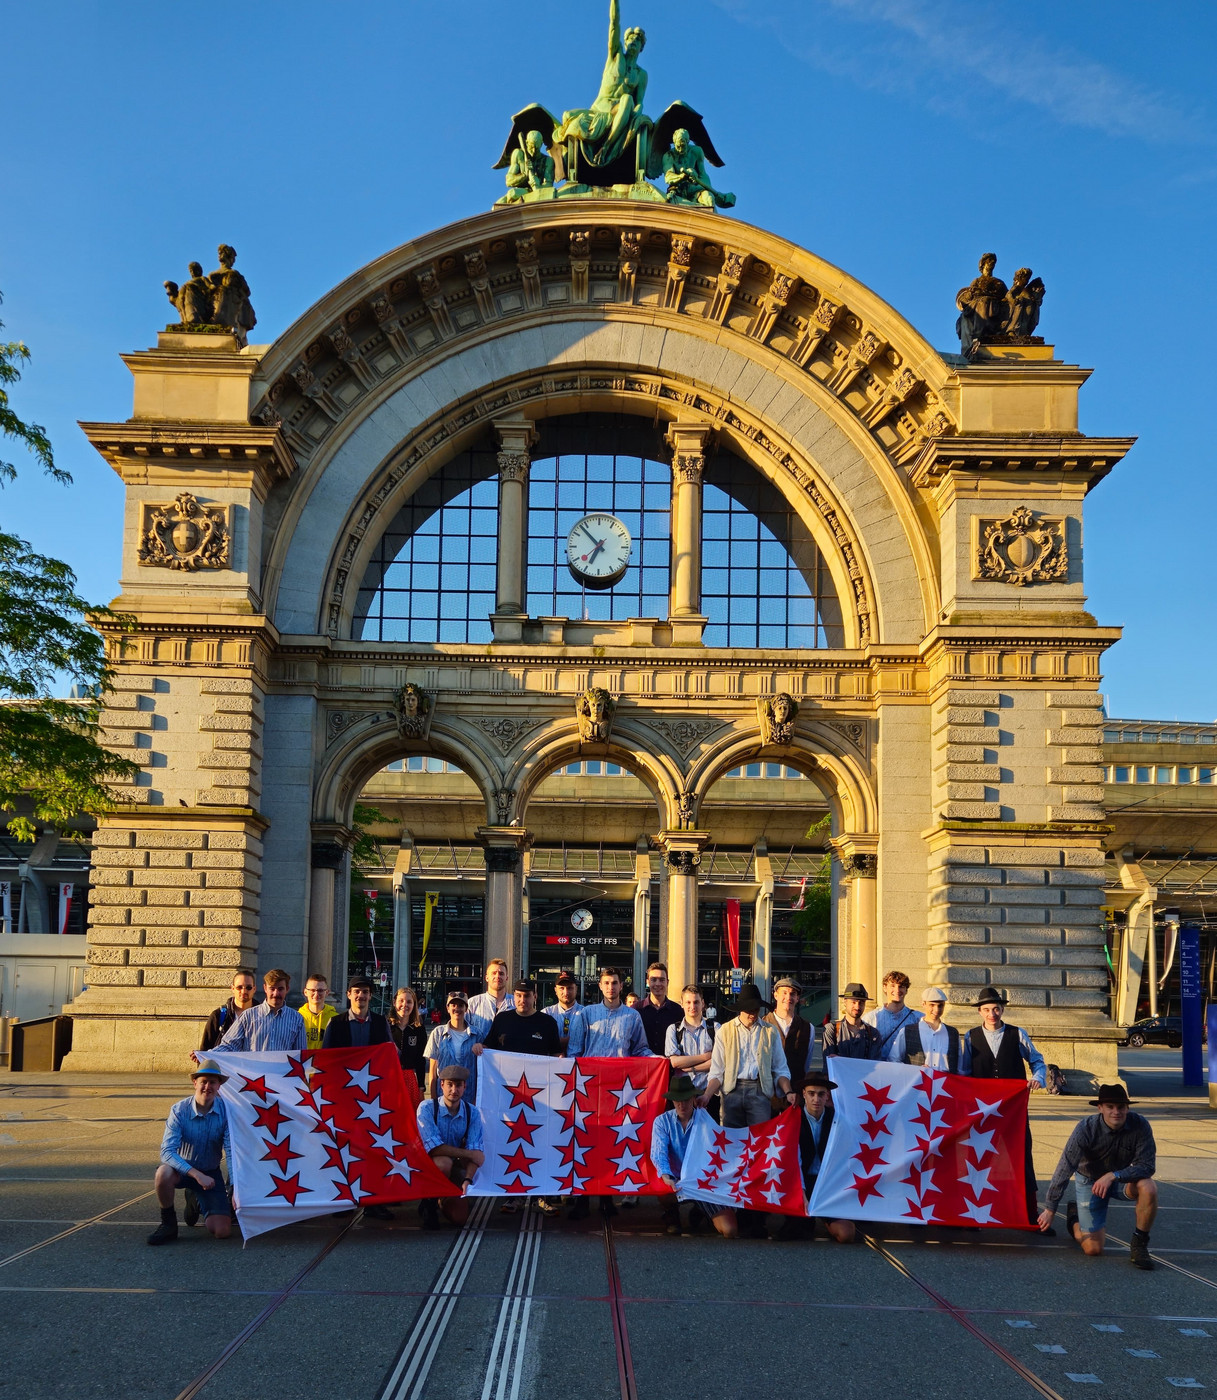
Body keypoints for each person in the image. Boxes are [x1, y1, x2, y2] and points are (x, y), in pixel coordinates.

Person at [1038, 1084, 1157, 1270]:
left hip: (1121, 1180)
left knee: (1148, 1187)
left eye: (1121, 1107)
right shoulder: (1085, 1129)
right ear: (1100, 1108)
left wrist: (1113, 1175)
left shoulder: (1140, 1125)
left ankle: (1139, 1244)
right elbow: (1065, 1167)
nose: (1116, 1112)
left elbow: (1147, 1166)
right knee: (1093, 1249)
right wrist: (1050, 1208)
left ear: (1128, 1108)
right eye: (1110, 1107)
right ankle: (1074, 1219)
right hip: (1090, 1181)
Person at [568, 967, 651, 1219]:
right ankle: (582, 1198)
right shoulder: (586, 1014)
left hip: (619, 1091)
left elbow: (641, 1049)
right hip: (589, 1089)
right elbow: (574, 1051)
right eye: (606, 983)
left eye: (615, 983)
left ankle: (606, 1196)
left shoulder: (632, 1017)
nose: (611, 987)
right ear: (600, 985)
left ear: (621, 986)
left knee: (611, 1143)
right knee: (586, 1141)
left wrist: (658, 1060)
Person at [967, 985, 1046, 1226]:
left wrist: (1038, 1078)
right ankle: (974, 1213)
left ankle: (1029, 1213)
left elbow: (1037, 1061)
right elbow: (963, 1071)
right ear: (980, 1012)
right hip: (983, 1110)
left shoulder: (1017, 1034)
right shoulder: (970, 1037)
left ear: (1002, 1010)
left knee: (1021, 1156)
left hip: (1013, 1110)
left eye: (996, 1009)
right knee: (979, 1157)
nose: (992, 1014)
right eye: (987, 1010)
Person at [148, 1059, 233, 1245]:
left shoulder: (227, 1111)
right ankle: (168, 1224)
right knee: (163, 1173)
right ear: (195, 1083)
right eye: (203, 1081)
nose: (207, 1087)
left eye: (213, 1082)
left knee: (222, 1231)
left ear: (219, 1086)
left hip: (210, 1173)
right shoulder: (179, 1110)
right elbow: (167, 1152)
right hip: (182, 1170)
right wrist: (196, 1175)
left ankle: (196, 1201)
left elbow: (230, 1151)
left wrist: (235, 1187)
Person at [650, 1073, 737, 1238]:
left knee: (730, 1230)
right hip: (675, 1179)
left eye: (686, 1099)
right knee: (662, 1186)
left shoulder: (705, 1120)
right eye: (677, 1100)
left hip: (702, 1181)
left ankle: (700, 1209)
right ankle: (671, 1213)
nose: (681, 1104)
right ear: (672, 1100)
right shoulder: (662, 1121)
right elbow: (659, 1153)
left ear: (693, 1098)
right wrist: (666, 1176)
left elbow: (717, 1154)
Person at [700, 983, 795, 1128]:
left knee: (759, 1136)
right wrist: (707, 1095)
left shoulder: (771, 1031)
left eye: (756, 1009)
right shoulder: (724, 1031)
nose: (753, 1014)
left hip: (760, 1091)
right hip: (731, 1091)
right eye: (748, 1010)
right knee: (731, 1137)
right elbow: (717, 1071)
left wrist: (788, 1092)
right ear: (740, 1009)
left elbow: (780, 1068)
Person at [781, 1070, 854, 1243]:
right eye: (811, 1093)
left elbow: (846, 1157)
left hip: (827, 1183)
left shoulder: (837, 1120)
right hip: (801, 1182)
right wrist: (802, 1195)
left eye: (821, 1094)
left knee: (846, 1234)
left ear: (827, 1096)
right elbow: (794, 1162)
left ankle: (826, 1219)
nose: (816, 1099)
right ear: (803, 1094)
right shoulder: (792, 1119)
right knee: (797, 1233)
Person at [415, 1064, 485, 1229]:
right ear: (442, 1085)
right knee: (443, 1162)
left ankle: (443, 1197)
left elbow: (476, 1151)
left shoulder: (472, 1112)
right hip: (426, 1167)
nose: (454, 1090)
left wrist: (468, 1179)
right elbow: (434, 1148)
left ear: (464, 1087)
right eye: (450, 1085)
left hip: (454, 1165)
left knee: (459, 1219)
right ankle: (429, 1202)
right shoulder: (426, 1108)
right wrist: (468, 1154)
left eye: (458, 1085)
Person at [211, 969, 306, 1054]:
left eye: (280, 989)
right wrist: (207, 1056)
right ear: (265, 988)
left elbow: (300, 1055)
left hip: (283, 1069)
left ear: (287, 989)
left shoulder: (297, 1019)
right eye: (272, 989)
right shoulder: (248, 1016)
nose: (276, 993)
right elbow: (229, 1045)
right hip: (251, 1069)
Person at [886, 987, 969, 1072]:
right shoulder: (907, 1032)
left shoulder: (953, 1033)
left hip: (947, 1080)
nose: (936, 1010)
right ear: (923, 1004)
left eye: (940, 1005)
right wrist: (914, 1070)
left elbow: (960, 1068)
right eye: (932, 1005)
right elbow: (893, 1060)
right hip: (918, 1080)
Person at [479, 981, 562, 1057]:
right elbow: (488, 1047)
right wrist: (478, 1047)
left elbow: (556, 1054)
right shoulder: (501, 1019)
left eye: (527, 996)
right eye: (519, 995)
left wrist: (561, 1061)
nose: (522, 1000)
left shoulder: (548, 1023)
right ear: (514, 996)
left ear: (535, 996)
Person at [425, 991, 480, 1101]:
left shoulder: (477, 1035)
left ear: (466, 1008)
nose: (457, 1009)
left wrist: (477, 1098)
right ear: (448, 1008)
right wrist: (434, 1100)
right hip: (443, 1097)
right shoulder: (438, 1033)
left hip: (469, 1097)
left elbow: (481, 1071)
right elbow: (433, 1072)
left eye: (461, 1005)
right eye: (453, 1005)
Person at [665, 984, 715, 1102]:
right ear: (681, 1003)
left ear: (703, 1003)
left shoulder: (715, 1028)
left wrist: (691, 1068)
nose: (692, 1006)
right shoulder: (673, 1030)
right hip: (682, 1096)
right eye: (688, 1002)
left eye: (696, 1002)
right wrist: (705, 1056)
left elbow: (718, 1063)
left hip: (709, 1094)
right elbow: (675, 1062)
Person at [764, 976, 811, 1095]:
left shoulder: (808, 1028)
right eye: (784, 993)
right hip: (767, 1094)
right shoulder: (762, 1024)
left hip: (796, 1092)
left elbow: (806, 1064)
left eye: (792, 994)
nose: (788, 997)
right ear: (775, 995)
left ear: (797, 998)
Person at [322, 975, 395, 1048]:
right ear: (349, 994)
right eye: (356, 991)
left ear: (370, 995)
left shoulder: (382, 1023)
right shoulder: (335, 1023)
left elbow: (389, 1050)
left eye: (365, 992)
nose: (361, 995)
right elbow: (327, 1052)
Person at [863, 971, 923, 1060]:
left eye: (901, 986)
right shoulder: (871, 1018)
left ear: (906, 990)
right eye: (892, 986)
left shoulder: (918, 1018)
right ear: (884, 988)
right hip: (879, 1067)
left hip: (906, 1067)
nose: (897, 990)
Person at [199, 968, 259, 1051]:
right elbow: (205, 1049)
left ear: (254, 989)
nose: (244, 991)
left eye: (248, 987)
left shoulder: (262, 1015)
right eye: (239, 987)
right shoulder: (218, 1016)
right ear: (232, 988)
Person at [821, 984, 881, 1061]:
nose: (857, 1007)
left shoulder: (873, 1034)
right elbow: (829, 1063)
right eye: (853, 1002)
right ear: (845, 1001)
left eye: (861, 1002)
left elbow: (874, 1064)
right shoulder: (831, 1030)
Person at [638, 960, 684, 1056]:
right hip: (643, 1063)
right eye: (653, 979)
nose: (658, 984)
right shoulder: (636, 1010)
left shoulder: (678, 1011)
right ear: (647, 982)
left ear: (667, 982)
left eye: (662, 980)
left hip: (670, 1063)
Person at [390, 986, 427, 1088]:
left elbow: (420, 1060)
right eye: (401, 1001)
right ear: (394, 1002)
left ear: (414, 1005)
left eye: (409, 1002)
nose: (405, 1005)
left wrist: (421, 1086)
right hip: (388, 1079)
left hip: (409, 1080)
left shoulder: (419, 1029)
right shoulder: (385, 1027)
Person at [467, 958, 512, 1041]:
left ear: (507, 978)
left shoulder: (516, 1004)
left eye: (501, 973)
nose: (497, 976)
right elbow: (463, 1032)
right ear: (487, 978)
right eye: (494, 973)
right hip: (479, 1049)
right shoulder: (472, 1003)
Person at [543, 971, 582, 1052]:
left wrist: (554, 1040)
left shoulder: (586, 1014)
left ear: (576, 989)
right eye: (561, 988)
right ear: (555, 990)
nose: (566, 992)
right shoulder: (546, 1014)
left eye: (569, 988)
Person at [299, 972, 336, 1051]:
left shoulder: (335, 1018)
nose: (316, 994)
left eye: (320, 990)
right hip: (303, 1058)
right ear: (305, 992)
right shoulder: (298, 1017)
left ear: (327, 992)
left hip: (326, 1058)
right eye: (312, 990)